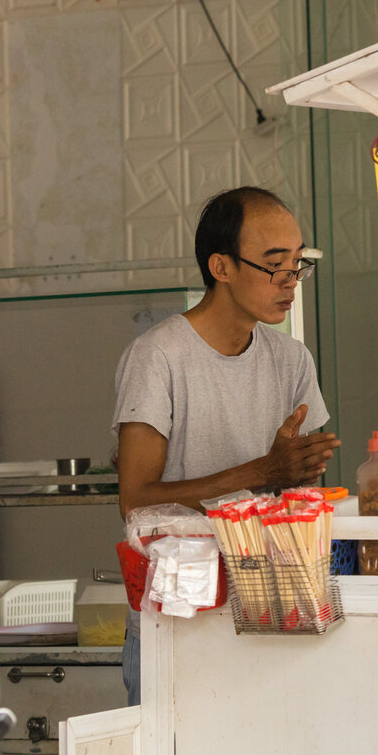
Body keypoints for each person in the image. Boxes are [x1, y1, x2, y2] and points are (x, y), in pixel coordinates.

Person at [110, 186, 341, 704]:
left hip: (270, 607)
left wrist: (295, 476)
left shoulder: (292, 360)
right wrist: (261, 472)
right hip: (177, 614)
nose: (290, 282)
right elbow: (135, 499)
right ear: (221, 267)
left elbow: (300, 490)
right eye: (274, 265)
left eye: (298, 265)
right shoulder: (158, 357)